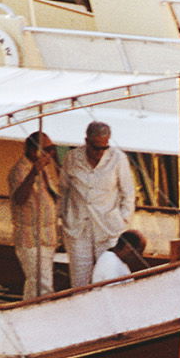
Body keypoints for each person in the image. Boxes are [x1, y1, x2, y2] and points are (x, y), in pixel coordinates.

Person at [57, 119, 138, 287]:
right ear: (86, 141)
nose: (100, 152)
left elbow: (128, 193)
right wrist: (63, 217)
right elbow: (63, 190)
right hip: (78, 227)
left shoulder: (118, 158)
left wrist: (123, 219)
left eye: (104, 147)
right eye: (96, 147)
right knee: (80, 280)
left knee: (109, 277)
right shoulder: (72, 158)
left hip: (108, 227)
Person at [6, 131, 63, 300]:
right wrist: (34, 172)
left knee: (37, 282)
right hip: (31, 238)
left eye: (52, 149)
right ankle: (40, 313)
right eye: (48, 149)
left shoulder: (46, 170)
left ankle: (30, 311)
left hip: (47, 237)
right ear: (33, 150)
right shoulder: (20, 170)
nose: (51, 153)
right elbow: (19, 199)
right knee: (40, 283)